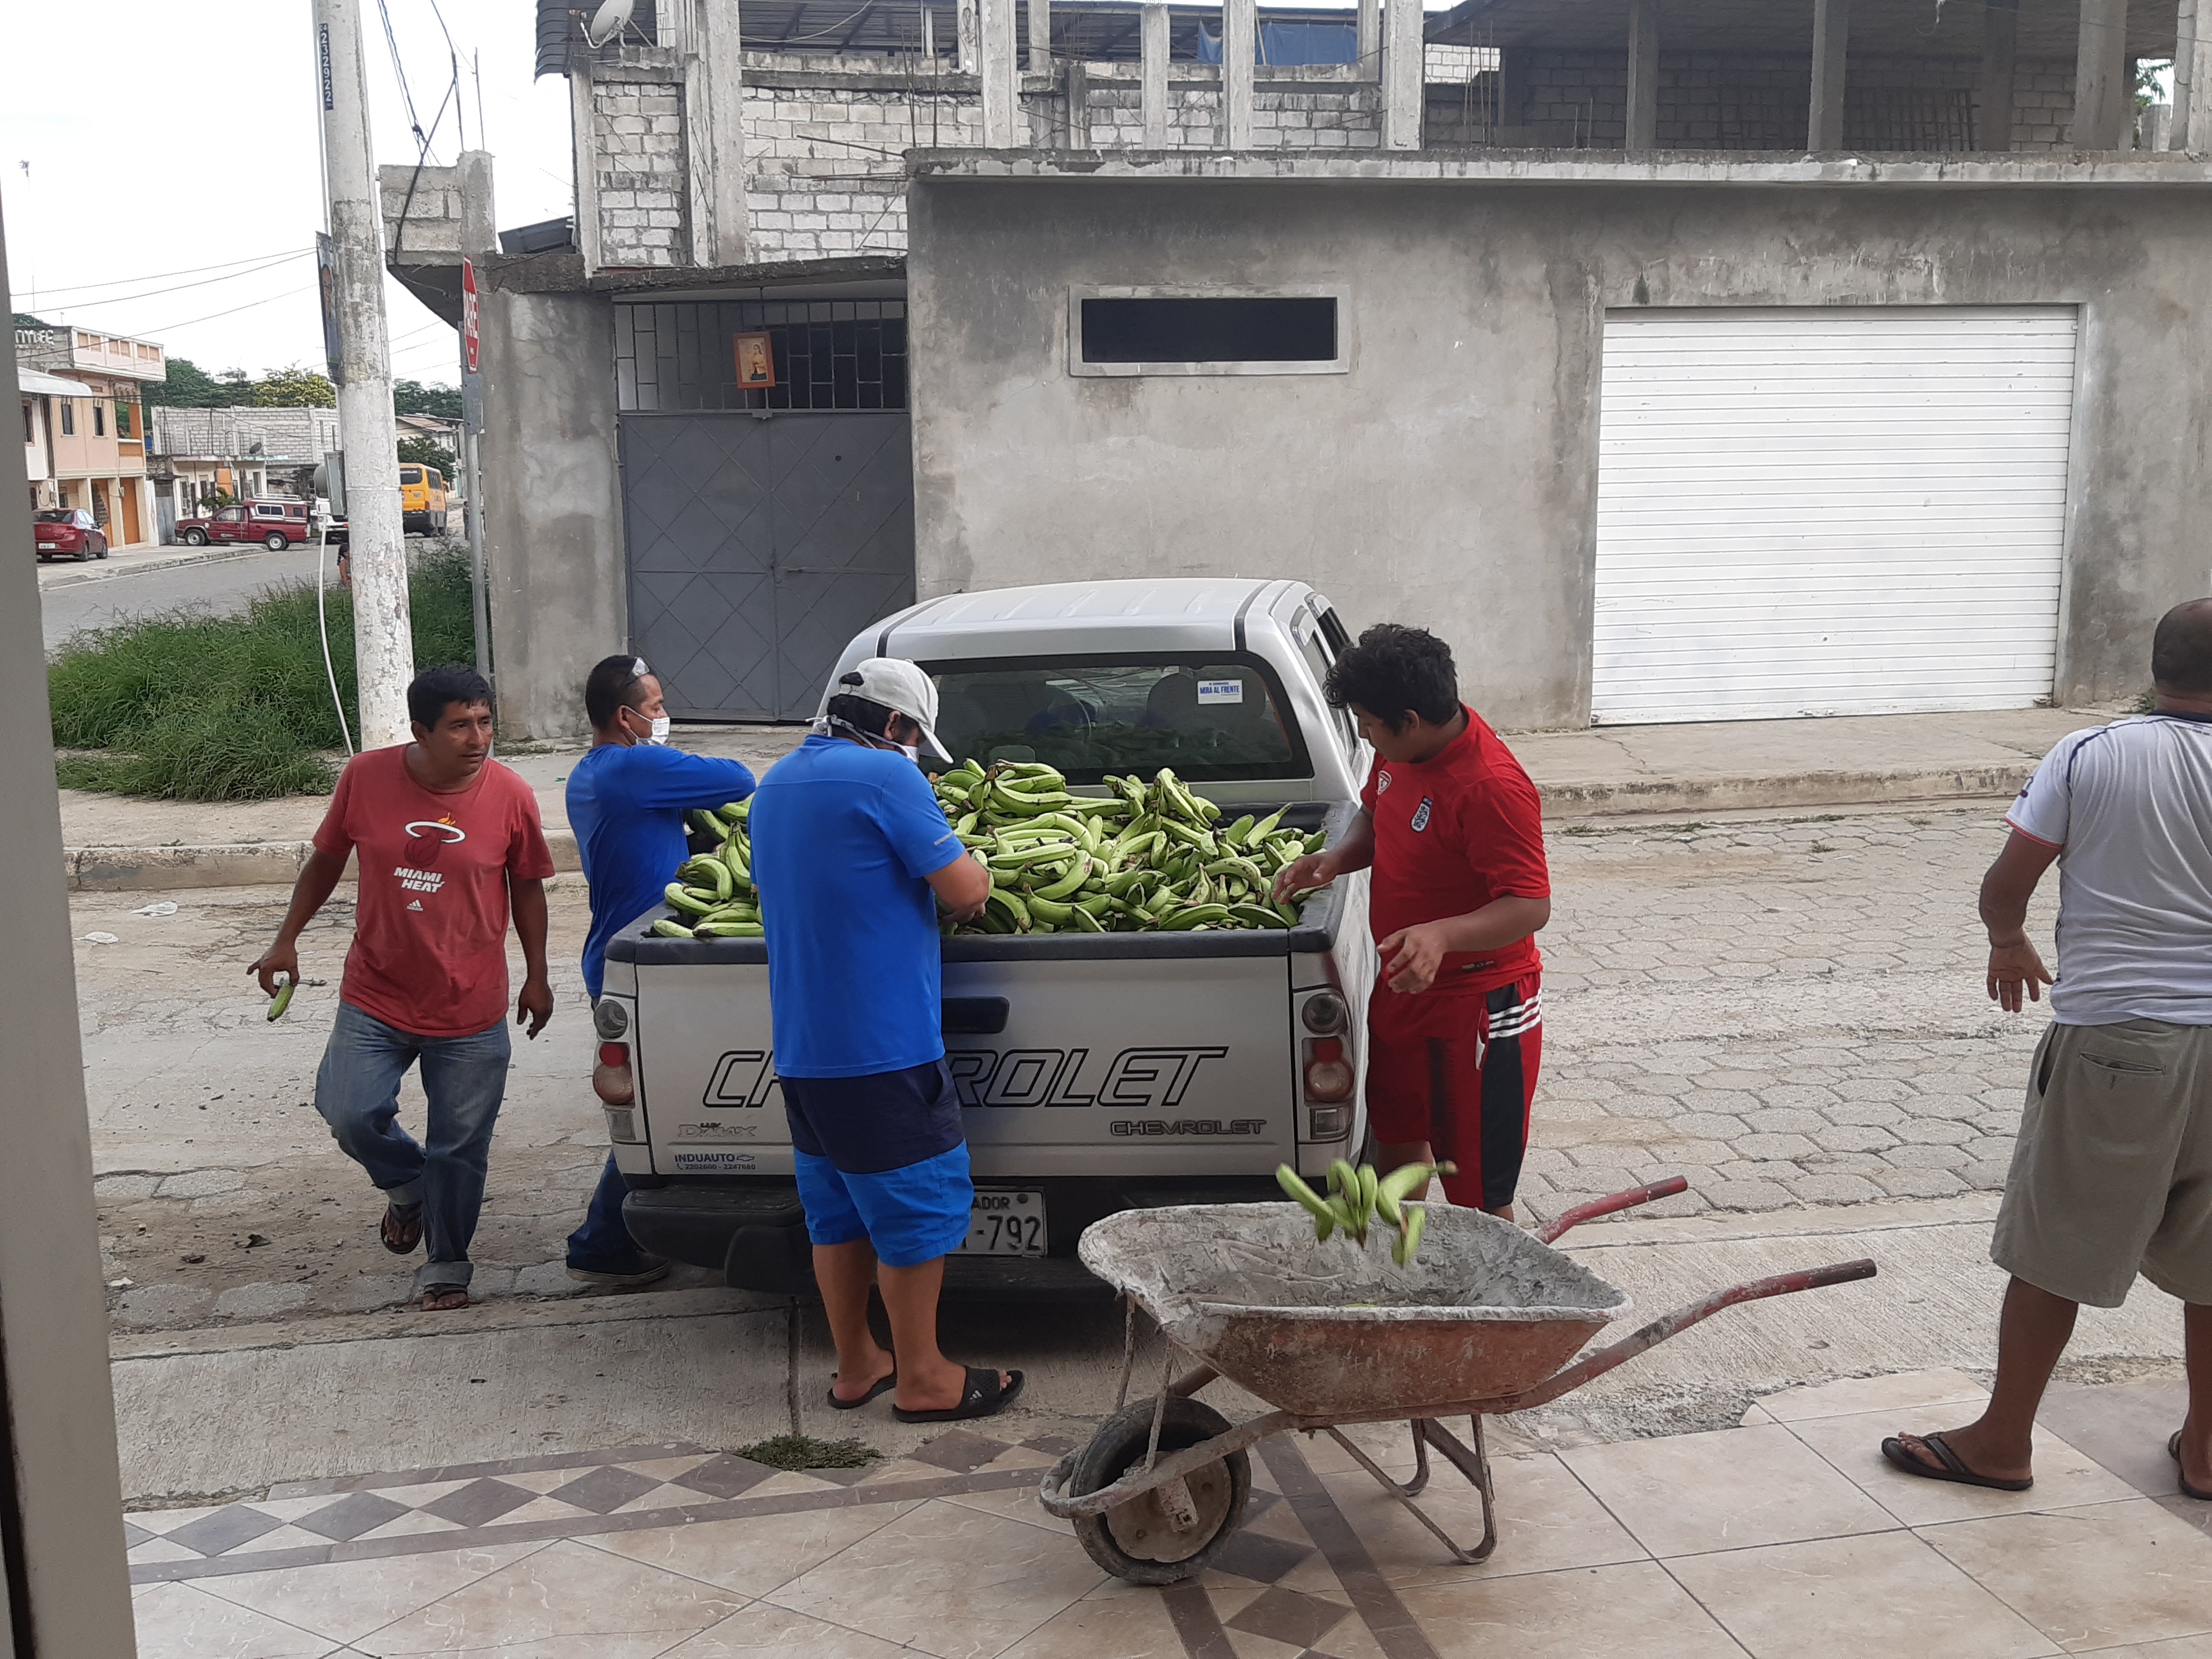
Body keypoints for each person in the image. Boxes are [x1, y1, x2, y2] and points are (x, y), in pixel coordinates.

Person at [1881, 601, 2212, 1501]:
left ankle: (2001, 1442)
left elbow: (2008, 880)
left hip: (2120, 1042)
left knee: (2055, 1240)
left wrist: (2006, 939)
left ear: (2155, 669)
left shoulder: (2090, 754)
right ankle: (2207, 1449)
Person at [747, 658, 1017, 1422]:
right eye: (914, 736)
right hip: (883, 1046)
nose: (914, 751)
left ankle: (858, 1363)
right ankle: (927, 1379)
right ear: (895, 724)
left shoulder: (776, 786)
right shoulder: (888, 777)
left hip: (805, 1048)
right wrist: (975, 875)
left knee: (836, 1215)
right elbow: (964, 891)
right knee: (915, 1213)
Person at [250, 665, 556, 1311]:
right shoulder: (366, 777)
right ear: (421, 731)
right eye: (460, 726)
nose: (478, 738)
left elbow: (527, 886)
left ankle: (447, 1263)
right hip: (377, 993)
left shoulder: (511, 795)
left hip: (470, 1004)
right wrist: (286, 938)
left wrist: (538, 974)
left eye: (485, 722)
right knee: (349, 1111)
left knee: (460, 1148)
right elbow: (328, 859)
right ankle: (410, 1187)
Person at [1274, 624, 1551, 1218]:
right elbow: (1376, 816)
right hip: (1404, 989)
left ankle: (1488, 1277)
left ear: (1411, 719)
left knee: (1477, 1189)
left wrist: (1443, 934)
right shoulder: (1400, 750)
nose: (1364, 735)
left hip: (1477, 1008)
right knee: (1399, 1144)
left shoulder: (1491, 788)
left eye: (1369, 724)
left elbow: (1530, 905)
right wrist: (1336, 860)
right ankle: (1397, 1263)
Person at [563, 655, 757, 1284]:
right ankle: (600, 1246)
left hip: (616, 950)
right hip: (642, 961)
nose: (665, 716)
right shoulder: (634, 768)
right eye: (656, 708)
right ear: (625, 718)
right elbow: (738, 777)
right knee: (653, 1106)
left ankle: (620, 1234)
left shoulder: (591, 772)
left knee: (654, 1100)